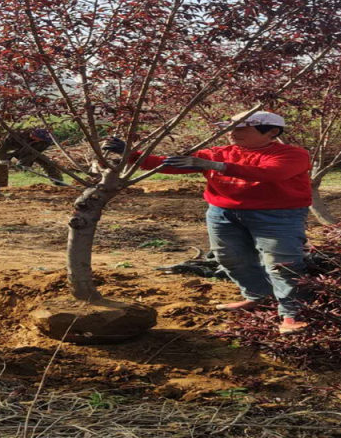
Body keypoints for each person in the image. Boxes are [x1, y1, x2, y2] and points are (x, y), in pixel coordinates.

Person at [103, 111, 312, 335]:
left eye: (241, 128)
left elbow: (271, 173)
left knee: (282, 264)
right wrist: (131, 154)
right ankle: (258, 296)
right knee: (230, 258)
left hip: (277, 216)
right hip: (224, 213)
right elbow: (168, 164)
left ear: (272, 131)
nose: (232, 132)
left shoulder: (293, 154)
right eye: (230, 127)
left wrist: (215, 165)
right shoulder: (217, 153)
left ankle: (292, 314)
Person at [0, 128, 64, 188]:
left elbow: (35, 153)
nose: (37, 140)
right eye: (35, 138)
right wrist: (3, 158)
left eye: (40, 140)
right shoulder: (15, 136)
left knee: (47, 162)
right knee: (0, 164)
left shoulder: (45, 141)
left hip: (29, 152)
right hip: (9, 152)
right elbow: (1, 148)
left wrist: (24, 163)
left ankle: (58, 181)